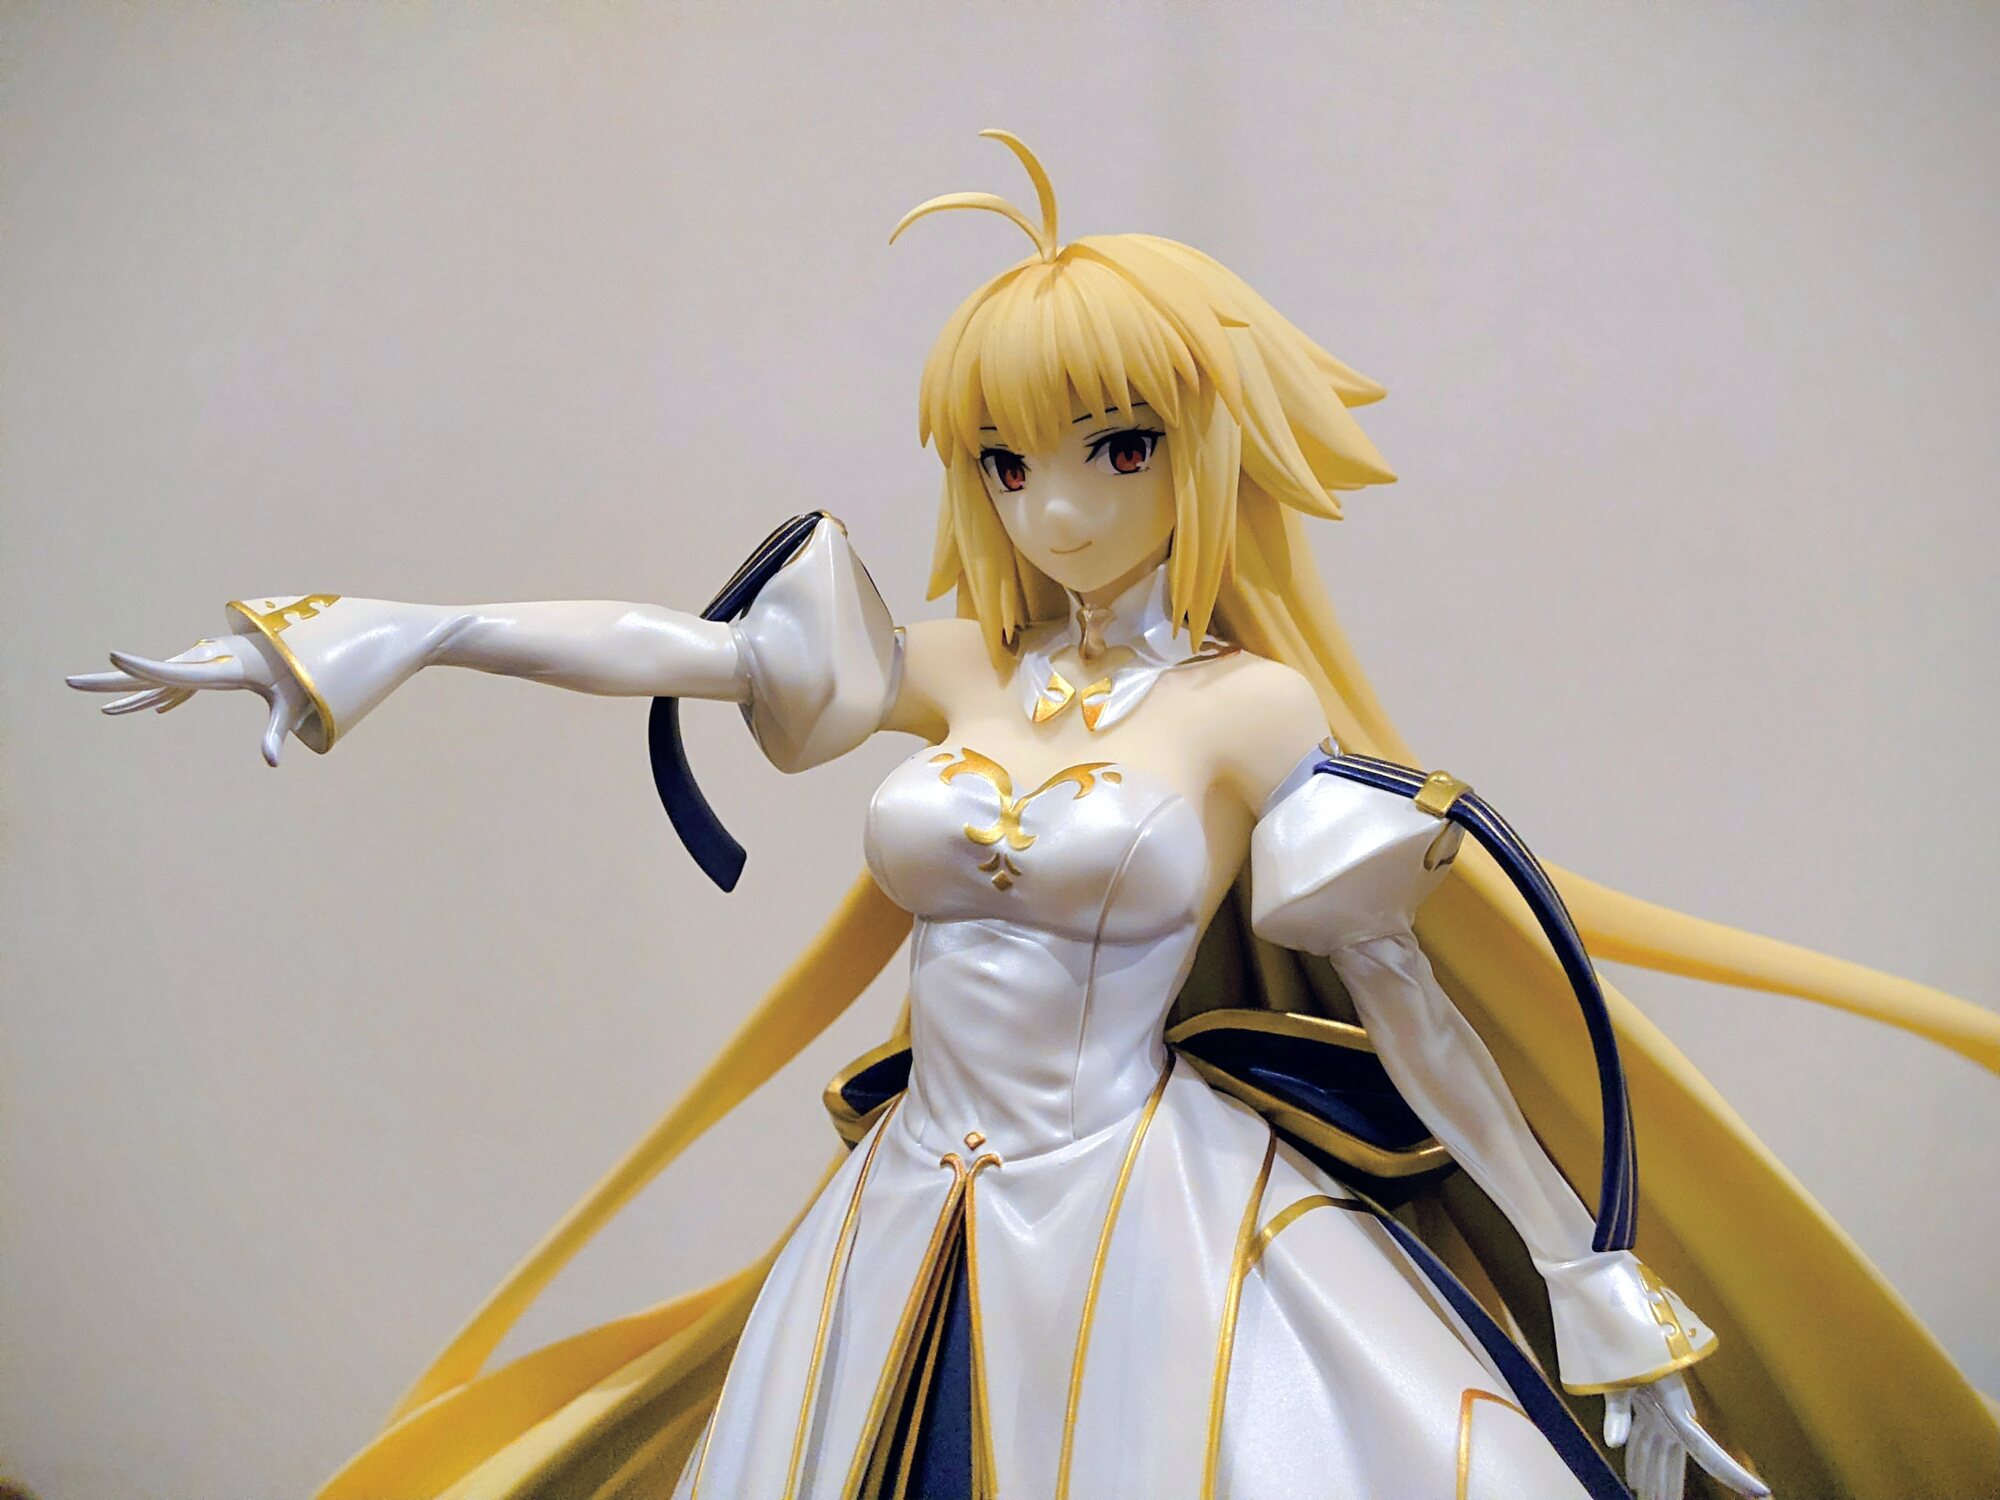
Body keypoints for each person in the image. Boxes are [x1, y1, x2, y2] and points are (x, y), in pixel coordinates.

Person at [69, 132, 1999, 1500]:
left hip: (1164, 1216)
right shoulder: (956, 665)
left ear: (1203, 450)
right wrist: (401, 632)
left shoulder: (1248, 712)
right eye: (1003, 462)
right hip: (909, 1204)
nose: (1054, 506)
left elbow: (1408, 1003)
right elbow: (680, 645)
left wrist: (1585, 1261)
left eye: (1114, 448)